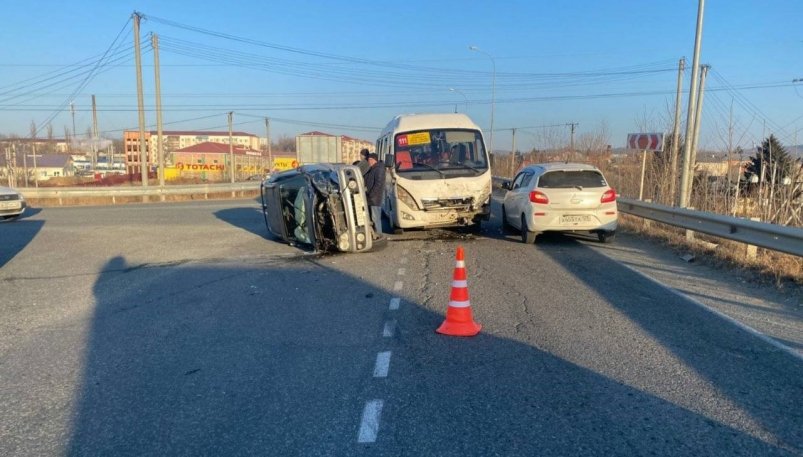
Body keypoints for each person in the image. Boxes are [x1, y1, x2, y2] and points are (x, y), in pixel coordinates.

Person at [363, 152, 386, 240]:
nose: (368, 162)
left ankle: (379, 235)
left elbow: (378, 184)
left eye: (369, 160)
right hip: (371, 197)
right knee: (373, 218)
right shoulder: (372, 168)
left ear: (373, 160)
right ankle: (375, 234)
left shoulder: (379, 169)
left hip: (375, 198)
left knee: (375, 218)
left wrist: (371, 194)